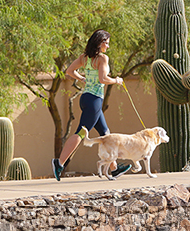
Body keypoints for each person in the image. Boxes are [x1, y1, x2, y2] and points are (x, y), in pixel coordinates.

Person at [51, 29, 131, 181]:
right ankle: (59, 162)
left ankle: (114, 168)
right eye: (106, 43)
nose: (107, 47)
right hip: (94, 100)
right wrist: (116, 80)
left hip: (86, 98)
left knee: (105, 133)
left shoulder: (84, 57)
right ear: (99, 43)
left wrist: (81, 78)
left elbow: (69, 71)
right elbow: (103, 79)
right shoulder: (102, 59)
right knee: (81, 132)